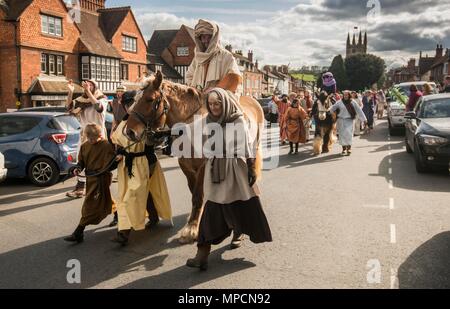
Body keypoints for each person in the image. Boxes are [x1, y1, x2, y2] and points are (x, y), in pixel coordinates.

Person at [186, 88, 272, 271]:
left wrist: (250, 167)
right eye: (210, 104)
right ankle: (202, 254)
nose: (214, 107)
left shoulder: (237, 120)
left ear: (224, 102)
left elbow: (248, 145)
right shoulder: (208, 119)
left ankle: (237, 232)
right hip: (215, 171)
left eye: (217, 103)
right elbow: (186, 129)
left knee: (243, 205)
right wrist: (166, 133)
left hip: (235, 171)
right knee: (211, 209)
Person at [110, 92, 172, 246]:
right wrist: (120, 153)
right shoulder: (124, 122)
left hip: (144, 162)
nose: (129, 106)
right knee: (145, 192)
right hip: (127, 164)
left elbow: (155, 137)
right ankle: (153, 216)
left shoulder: (145, 121)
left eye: (132, 103)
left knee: (132, 196)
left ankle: (124, 232)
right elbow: (117, 140)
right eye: (127, 104)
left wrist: (157, 136)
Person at [64, 124, 117, 243]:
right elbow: (81, 161)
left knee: (89, 204)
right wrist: (77, 168)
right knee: (105, 198)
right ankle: (118, 214)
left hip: (102, 178)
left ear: (100, 135)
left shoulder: (106, 146)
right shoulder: (85, 146)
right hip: (90, 178)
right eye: (89, 138)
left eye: (94, 138)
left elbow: (110, 164)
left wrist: (116, 161)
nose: (91, 141)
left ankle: (79, 231)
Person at [66, 80, 108, 198]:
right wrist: (70, 92)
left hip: (98, 136)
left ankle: (99, 188)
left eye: (90, 85)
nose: (87, 87)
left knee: (97, 163)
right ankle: (80, 188)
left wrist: (88, 91)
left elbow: (98, 107)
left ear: (95, 87)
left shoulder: (101, 98)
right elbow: (69, 108)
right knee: (82, 161)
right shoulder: (81, 100)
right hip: (85, 135)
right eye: (86, 85)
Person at [186, 19, 241, 93]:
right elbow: (189, 76)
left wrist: (216, 90)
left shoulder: (226, 56)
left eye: (209, 37)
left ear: (215, 37)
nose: (206, 41)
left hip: (218, 100)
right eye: (203, 37)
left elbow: (234, 78)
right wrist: (195, 90)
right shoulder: (197, 58)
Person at [329, 91, 367, 156]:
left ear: (349, 95)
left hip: (350, 120)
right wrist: (332, 113)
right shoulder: (339, 102)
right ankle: (343, 149)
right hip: (340, 120)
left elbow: (359, 110)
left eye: (346, 95)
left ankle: (349, 148)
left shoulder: (353, 102)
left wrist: (364, 119)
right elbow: (332, 108)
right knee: (342, 135)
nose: (345, 96)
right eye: (344, 95)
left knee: (349, 134)